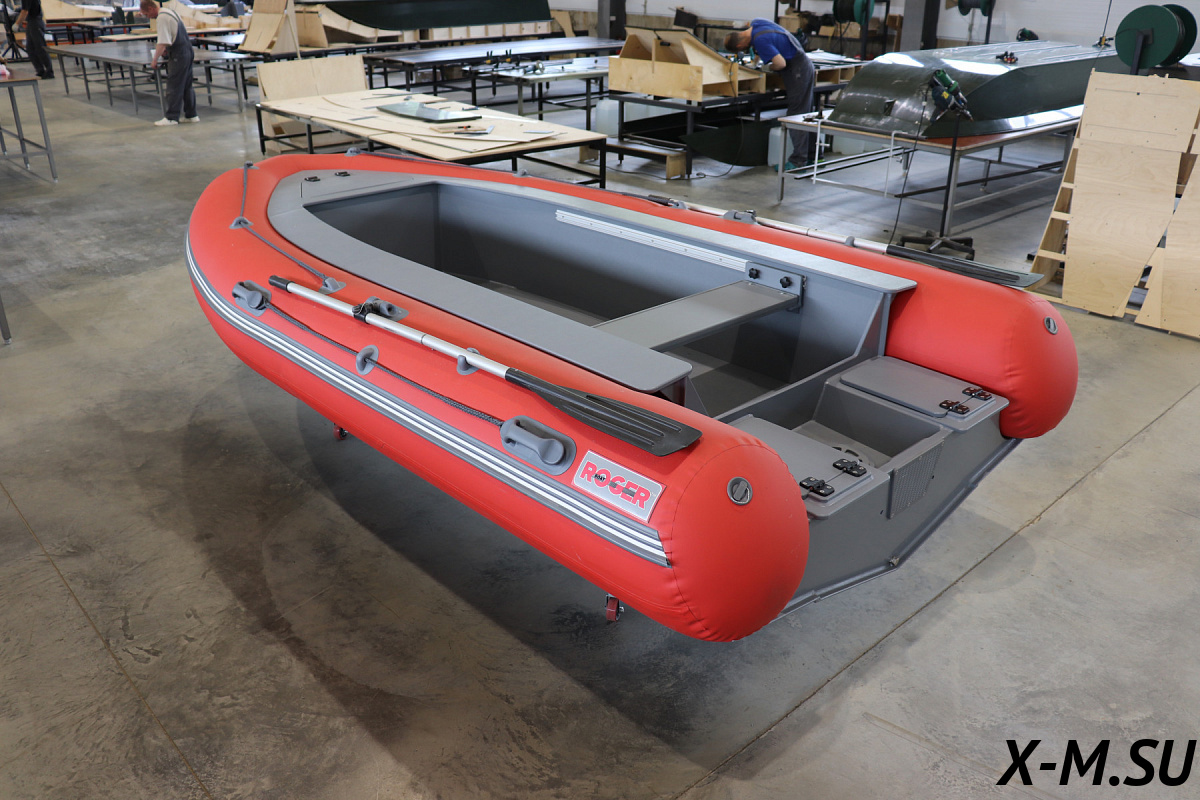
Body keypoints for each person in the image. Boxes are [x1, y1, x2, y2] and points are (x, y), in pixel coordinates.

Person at [725, 18, 814, 171]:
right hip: (803, 65)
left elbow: (780, 63)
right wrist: (756, 62)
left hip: (798, 71)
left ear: (740, 46)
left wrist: (768, 68)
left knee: (796, 115)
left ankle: (799, 161)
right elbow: (767, 44)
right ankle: (813, 156)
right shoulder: (757, 23)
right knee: (805, 114)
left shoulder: (760, 41)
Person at [141, 0, 197, 126]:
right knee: (187, 85)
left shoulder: (162, 17)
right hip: (187, 50)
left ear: (151, 8)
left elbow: (162, 42)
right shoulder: (169, 12)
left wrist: (155, 59)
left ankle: (171, 117)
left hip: (179, 54)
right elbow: (172, 35)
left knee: (174, 86)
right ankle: (191, 115)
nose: (148, 17)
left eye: (146, 14)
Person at [14, 0, 54, 79]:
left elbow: (24, 11)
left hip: (35, 22)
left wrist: (17, 23)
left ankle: (49, 72)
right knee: (30, 48)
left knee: (40, 47)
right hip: (31, 22)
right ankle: (40, 70)